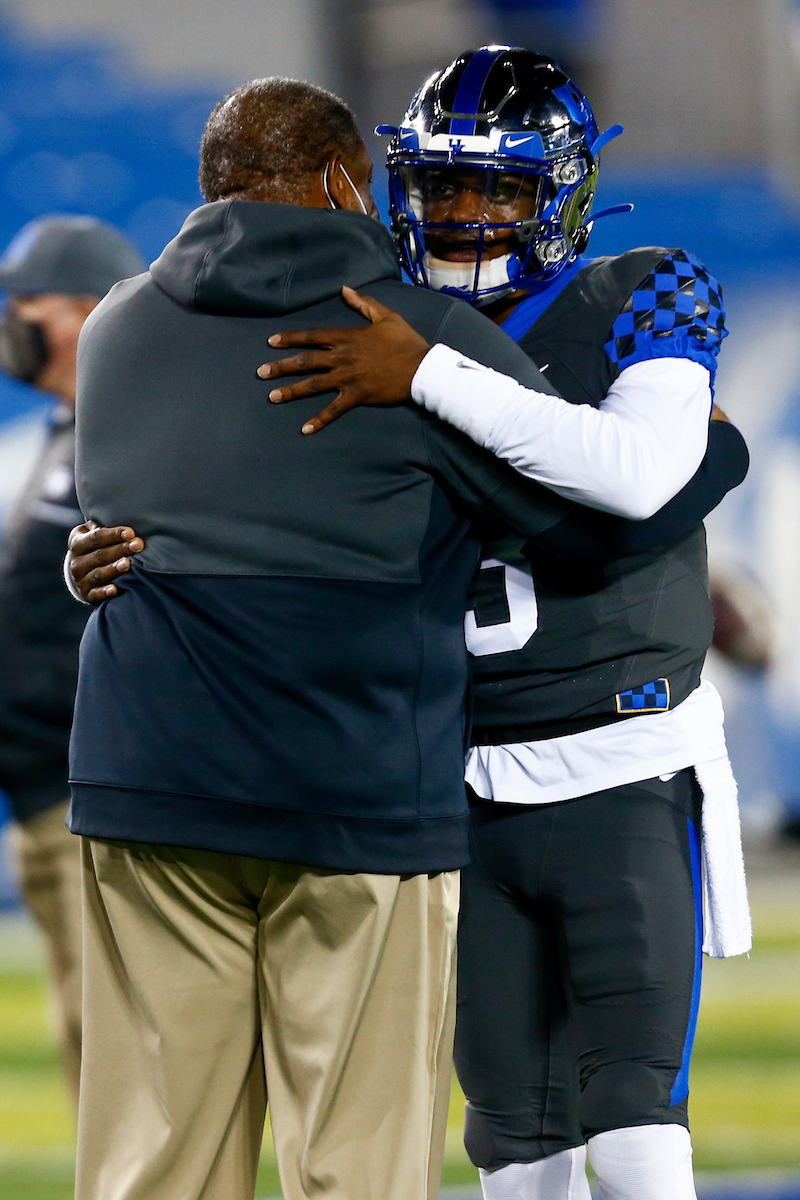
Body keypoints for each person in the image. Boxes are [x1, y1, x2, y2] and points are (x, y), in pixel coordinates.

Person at [63, 77, 709, 1200]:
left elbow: (155, 514)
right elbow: (597, 525)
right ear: (337, 180)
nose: (454, 211)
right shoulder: (416, 332)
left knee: (152, 1164)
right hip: (350, 783)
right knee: (356, 1165)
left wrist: (95, 562)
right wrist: (719, 454)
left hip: (147, 781)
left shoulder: (115, 323)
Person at [0, 215, 143, 1103]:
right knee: (91, 1055)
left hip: (87, 794)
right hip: (42, 795)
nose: (10, 321)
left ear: (90, 313)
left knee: (125, 1071)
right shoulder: (68, 424)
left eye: (27, 304)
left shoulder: (134, 429)